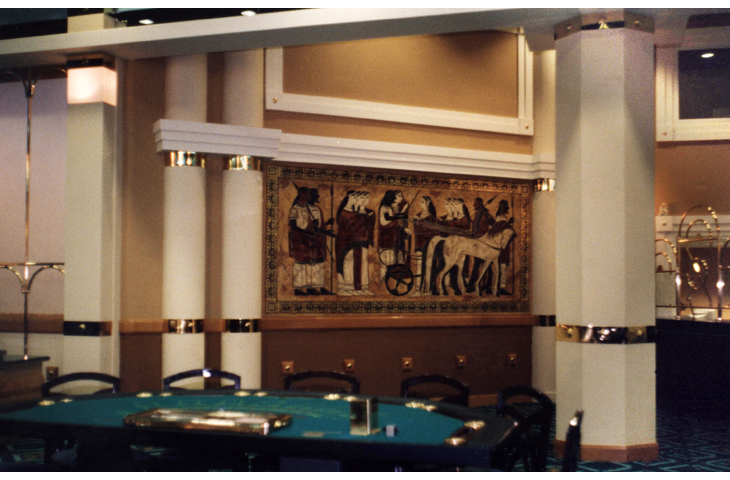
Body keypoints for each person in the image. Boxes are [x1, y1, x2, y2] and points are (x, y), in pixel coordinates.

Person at [288, 186, 333, 295]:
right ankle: (299, 289)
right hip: (300, 239)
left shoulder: (308, 209)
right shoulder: (295, 209)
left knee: (312, 264)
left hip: (310, 239)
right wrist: (308, 232)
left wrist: (325, 229)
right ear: (302, 195)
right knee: (301, 263)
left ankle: (313, 287)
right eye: (308, 194)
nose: (309, 197)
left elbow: (315, 226)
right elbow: (293, 226)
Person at [335, 190, 375, 296]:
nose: (357, 200)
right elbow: (354, 228)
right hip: (347, 243)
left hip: (358, 242)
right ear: (348, 198)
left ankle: (360, 288)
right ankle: (345, 289)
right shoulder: (344, 212)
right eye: (354, 198)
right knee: (347, 265)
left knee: (361, 265)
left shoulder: (355, 212)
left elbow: (365, 227)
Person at [378, 190, 411, 282]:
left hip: (391, 238)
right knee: (386, 264)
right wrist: (401, 217)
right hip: (387, 239)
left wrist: (401, 216)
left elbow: (393, 219)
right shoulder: (384, 207)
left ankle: (389, 281)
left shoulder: (389, 208)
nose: (396, 198)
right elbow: (386, 221)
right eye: (394, 197)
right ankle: (384, 283)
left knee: (392, 263)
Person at [410, 196, 437, 296]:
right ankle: (418, 290)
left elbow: (430, 232)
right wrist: (416, 222)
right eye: (420, 201)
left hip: (427, 245)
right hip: (419, 244)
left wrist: (418, 223)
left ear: (427, 202)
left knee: (427, 267)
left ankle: (426, 290)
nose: (420, 203)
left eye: (422, 201)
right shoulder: (418, 215)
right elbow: (416, 230)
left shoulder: (431, 217)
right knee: (419, 267)